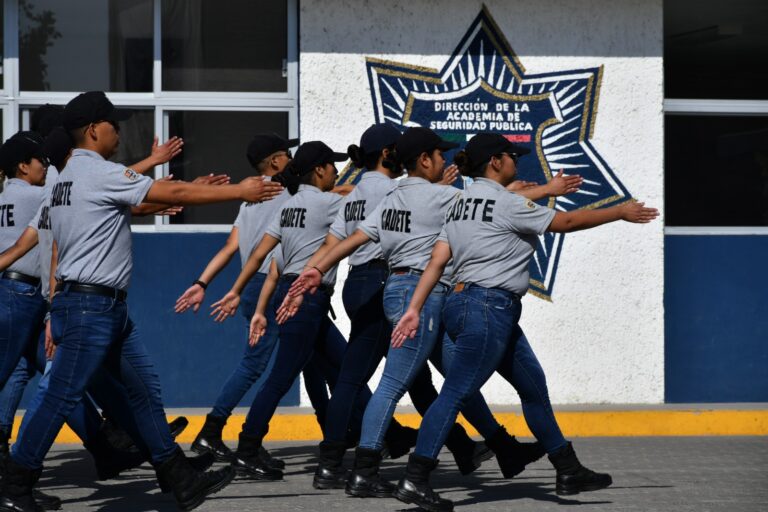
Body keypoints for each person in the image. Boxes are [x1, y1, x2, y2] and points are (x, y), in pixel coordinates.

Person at [0, 91, 283, 512]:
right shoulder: (96, 171)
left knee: (142, 392)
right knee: (60, 395)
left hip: (98, 307)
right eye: (114, 124)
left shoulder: (64, 179)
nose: (119, 130)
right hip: (90, 309)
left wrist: (178, 192)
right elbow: (161, 191)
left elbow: (134, 201)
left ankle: (179, 477)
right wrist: (238, 191)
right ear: (94, 130)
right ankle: (17, 484)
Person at [386, 132, 659, 511]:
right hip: (488, 308)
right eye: (512, 156)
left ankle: (567, 469)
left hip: (471, 305)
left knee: (533, 386)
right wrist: (619, 212)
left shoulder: (460, 206)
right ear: (496, 163)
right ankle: (415, 479)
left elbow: (437, 261)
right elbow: (565, 221)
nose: (517, 161)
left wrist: (415, 307)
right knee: (456, 393)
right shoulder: (504, 202)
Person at [285, 124, 494, 499]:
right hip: (389, 281)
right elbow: (428, 219)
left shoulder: (354, 196)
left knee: (410, 377)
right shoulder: (395, 190)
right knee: (388, 379)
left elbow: (340, 241)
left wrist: (310, 274)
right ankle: (342, 464)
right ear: (388, 155)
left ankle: (466, 446)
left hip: (357, 282)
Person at [175, 133, 339, 474]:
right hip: (273, 285)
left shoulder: (248, 201)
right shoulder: (283, 191)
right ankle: (217, 432)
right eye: (288, 154)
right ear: (276, 161)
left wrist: (202, 282)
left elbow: (230, 247)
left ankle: (333, 437)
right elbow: (336, 198)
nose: (293, 160)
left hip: (256, 286)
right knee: (262, 365)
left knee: (310, 359)